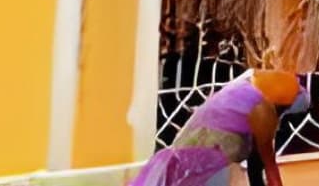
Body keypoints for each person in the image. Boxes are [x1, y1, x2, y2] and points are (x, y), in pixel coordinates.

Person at [128, 67, 304, 186]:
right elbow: (266, 164)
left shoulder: (240, 89)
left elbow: (256, 164)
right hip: (209, 166)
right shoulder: (262, 111)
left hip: (186, 159)